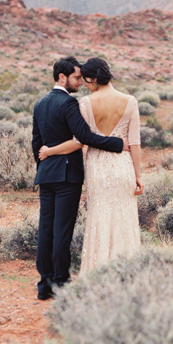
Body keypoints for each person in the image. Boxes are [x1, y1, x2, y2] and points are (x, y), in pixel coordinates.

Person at [32, 56, 128, 301]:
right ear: (62, 77)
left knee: (46, 229)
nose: (79, 82)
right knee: (62, 231)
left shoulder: (40, 104)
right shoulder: (68, 104)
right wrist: (118, 143)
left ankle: (44, 284)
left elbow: (36, 143)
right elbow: (85, 136)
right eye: (76, 77)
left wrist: (43, 166)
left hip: (46, 175)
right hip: (67, 176)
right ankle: (61, 283)